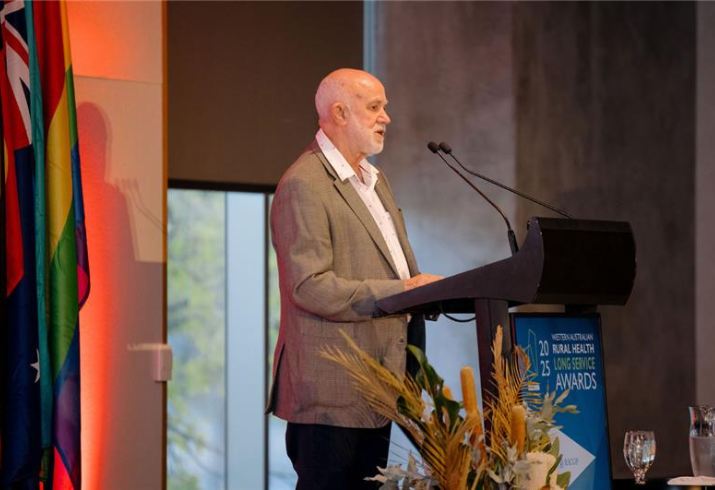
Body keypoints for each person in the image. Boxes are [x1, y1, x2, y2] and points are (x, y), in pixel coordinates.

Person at [266, 68, 442, 489]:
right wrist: (402, 292)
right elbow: (308, 285)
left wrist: (427, 292)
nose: (387, 117)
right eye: (375, 107)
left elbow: (395, 266)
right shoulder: (303, 184)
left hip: (379, 387)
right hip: (332, 394)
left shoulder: (375, 181)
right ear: (340, 113)